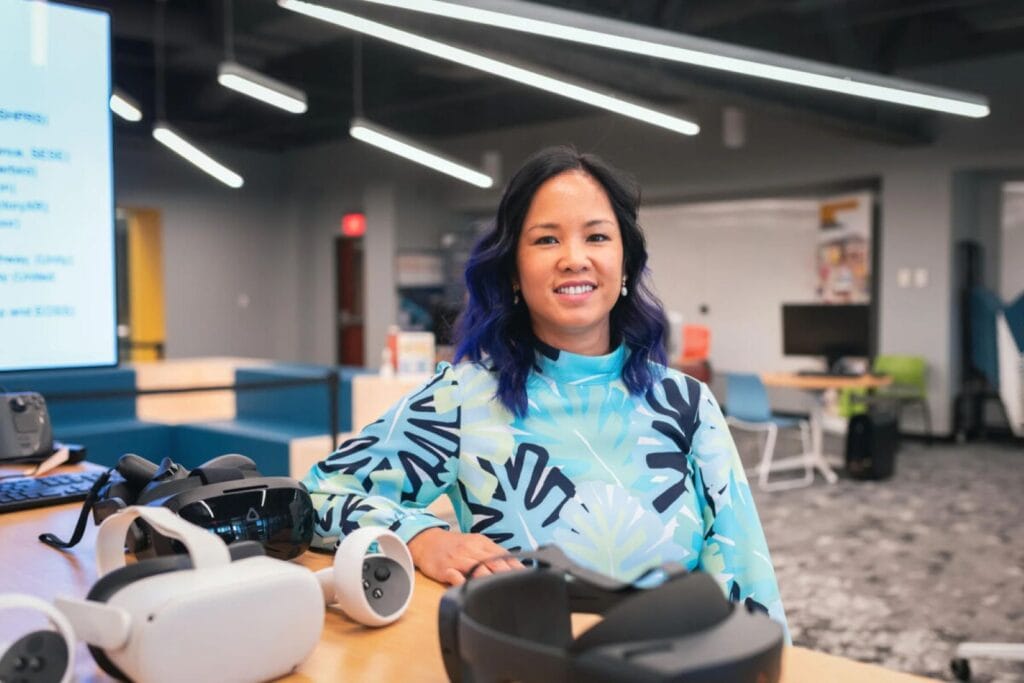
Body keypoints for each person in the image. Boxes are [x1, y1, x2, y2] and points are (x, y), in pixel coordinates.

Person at [304, 145, 788, 632]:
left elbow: (748, 579)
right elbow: (319, 495)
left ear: (624, 263)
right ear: (514, 270)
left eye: (597, 236)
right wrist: (423, 538)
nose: (574, 259)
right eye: (546, 240)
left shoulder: (685, 404)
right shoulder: (463, 398)